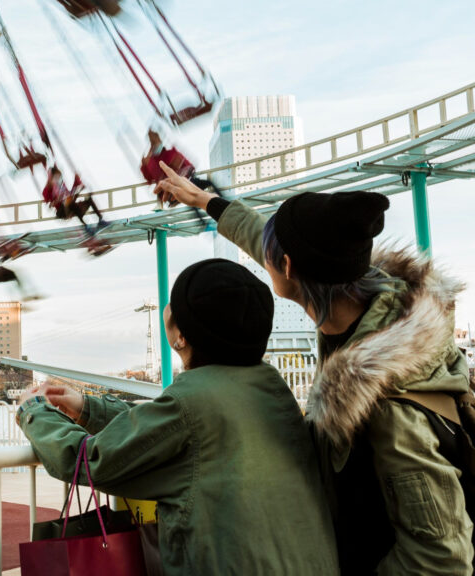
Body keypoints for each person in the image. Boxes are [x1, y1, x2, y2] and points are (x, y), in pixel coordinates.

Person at [155, 161, 474, 574]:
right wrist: (207, 202)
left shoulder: (393, 412)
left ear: (287, 268)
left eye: (271, 254)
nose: (262, 255)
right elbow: (265, 239)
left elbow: (442, 558)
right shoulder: (366, 296)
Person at [17, 259, 338, 575]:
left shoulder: (192, 404)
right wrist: (89, 408)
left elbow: (91, 460)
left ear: (181, 336)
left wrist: (33, 411)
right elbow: (178, 428)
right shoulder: (269, 389)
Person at [41, 166, 108, 234]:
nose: (58, 179)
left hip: (71, 207)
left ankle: (100, 220)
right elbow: (49, 206)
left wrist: (78, 188)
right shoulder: (47, 190)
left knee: (88, 199)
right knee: (70, 202)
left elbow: (69, 194)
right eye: (56, 177)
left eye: (59, 177)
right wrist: (57, 200)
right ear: (51, 178)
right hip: (62, 211)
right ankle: (86, 227)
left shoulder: (61, 185)